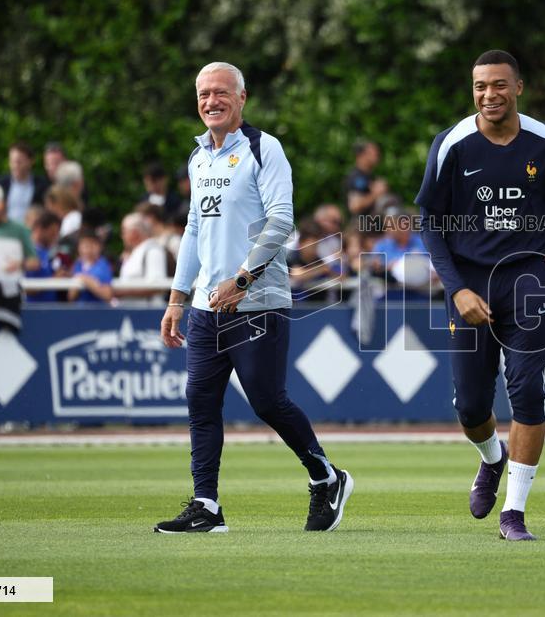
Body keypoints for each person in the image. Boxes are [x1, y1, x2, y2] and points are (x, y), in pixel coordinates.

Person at [416, 50, 545, 541]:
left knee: (527, 390)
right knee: (471, 407)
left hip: (527, 281)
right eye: (480, 86)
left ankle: (514, 513)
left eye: (499, 85)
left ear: (518, 87)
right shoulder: (452, 144)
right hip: (470, 284)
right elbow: (430, 225)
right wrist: (457, 288)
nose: (489, 95)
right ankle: (491, 458)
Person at [157, 61, 353, 534]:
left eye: (221, 92)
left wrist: (242, 280)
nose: (211, 102)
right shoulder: (198, 157)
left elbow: (281, 220)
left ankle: (326, 477)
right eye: (204, 94)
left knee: (267, 402)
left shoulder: (265, 149)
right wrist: (177, 297)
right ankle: (207, 506)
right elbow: (193, 230)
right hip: (206, 307)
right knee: (200, 402)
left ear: (242, 98)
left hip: (258, 301)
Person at [117, 212, 168, 304]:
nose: (122, 236)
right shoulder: (134, 252)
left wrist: (121, 292)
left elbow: (157, 286)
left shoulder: (153, 251)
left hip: (148, 313)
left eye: (124, 231)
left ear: (135, 232)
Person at [0, 141, 49, 224]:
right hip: (5, 232)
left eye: (19, 162)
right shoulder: (0, 184)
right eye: (12, 161)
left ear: (30, 161)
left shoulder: (42, 185)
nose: (15, 166)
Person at [344, 139, 387, 220]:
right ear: (361, 155)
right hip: (361, 228)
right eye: (372, 152)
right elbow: (354, 206)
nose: (377, 155)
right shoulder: (356, 177)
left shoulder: (370, 176)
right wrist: (377, 194)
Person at [68, 231, 113, 304]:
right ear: (79, 248)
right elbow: (71, 297)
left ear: (99, 247)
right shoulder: (77, 265)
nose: (89, 250)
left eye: (92, 245)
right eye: (86, 246)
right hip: (79, 312)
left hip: (97, 311)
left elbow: (107, 295)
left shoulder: (103, 265)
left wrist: (86, 280)